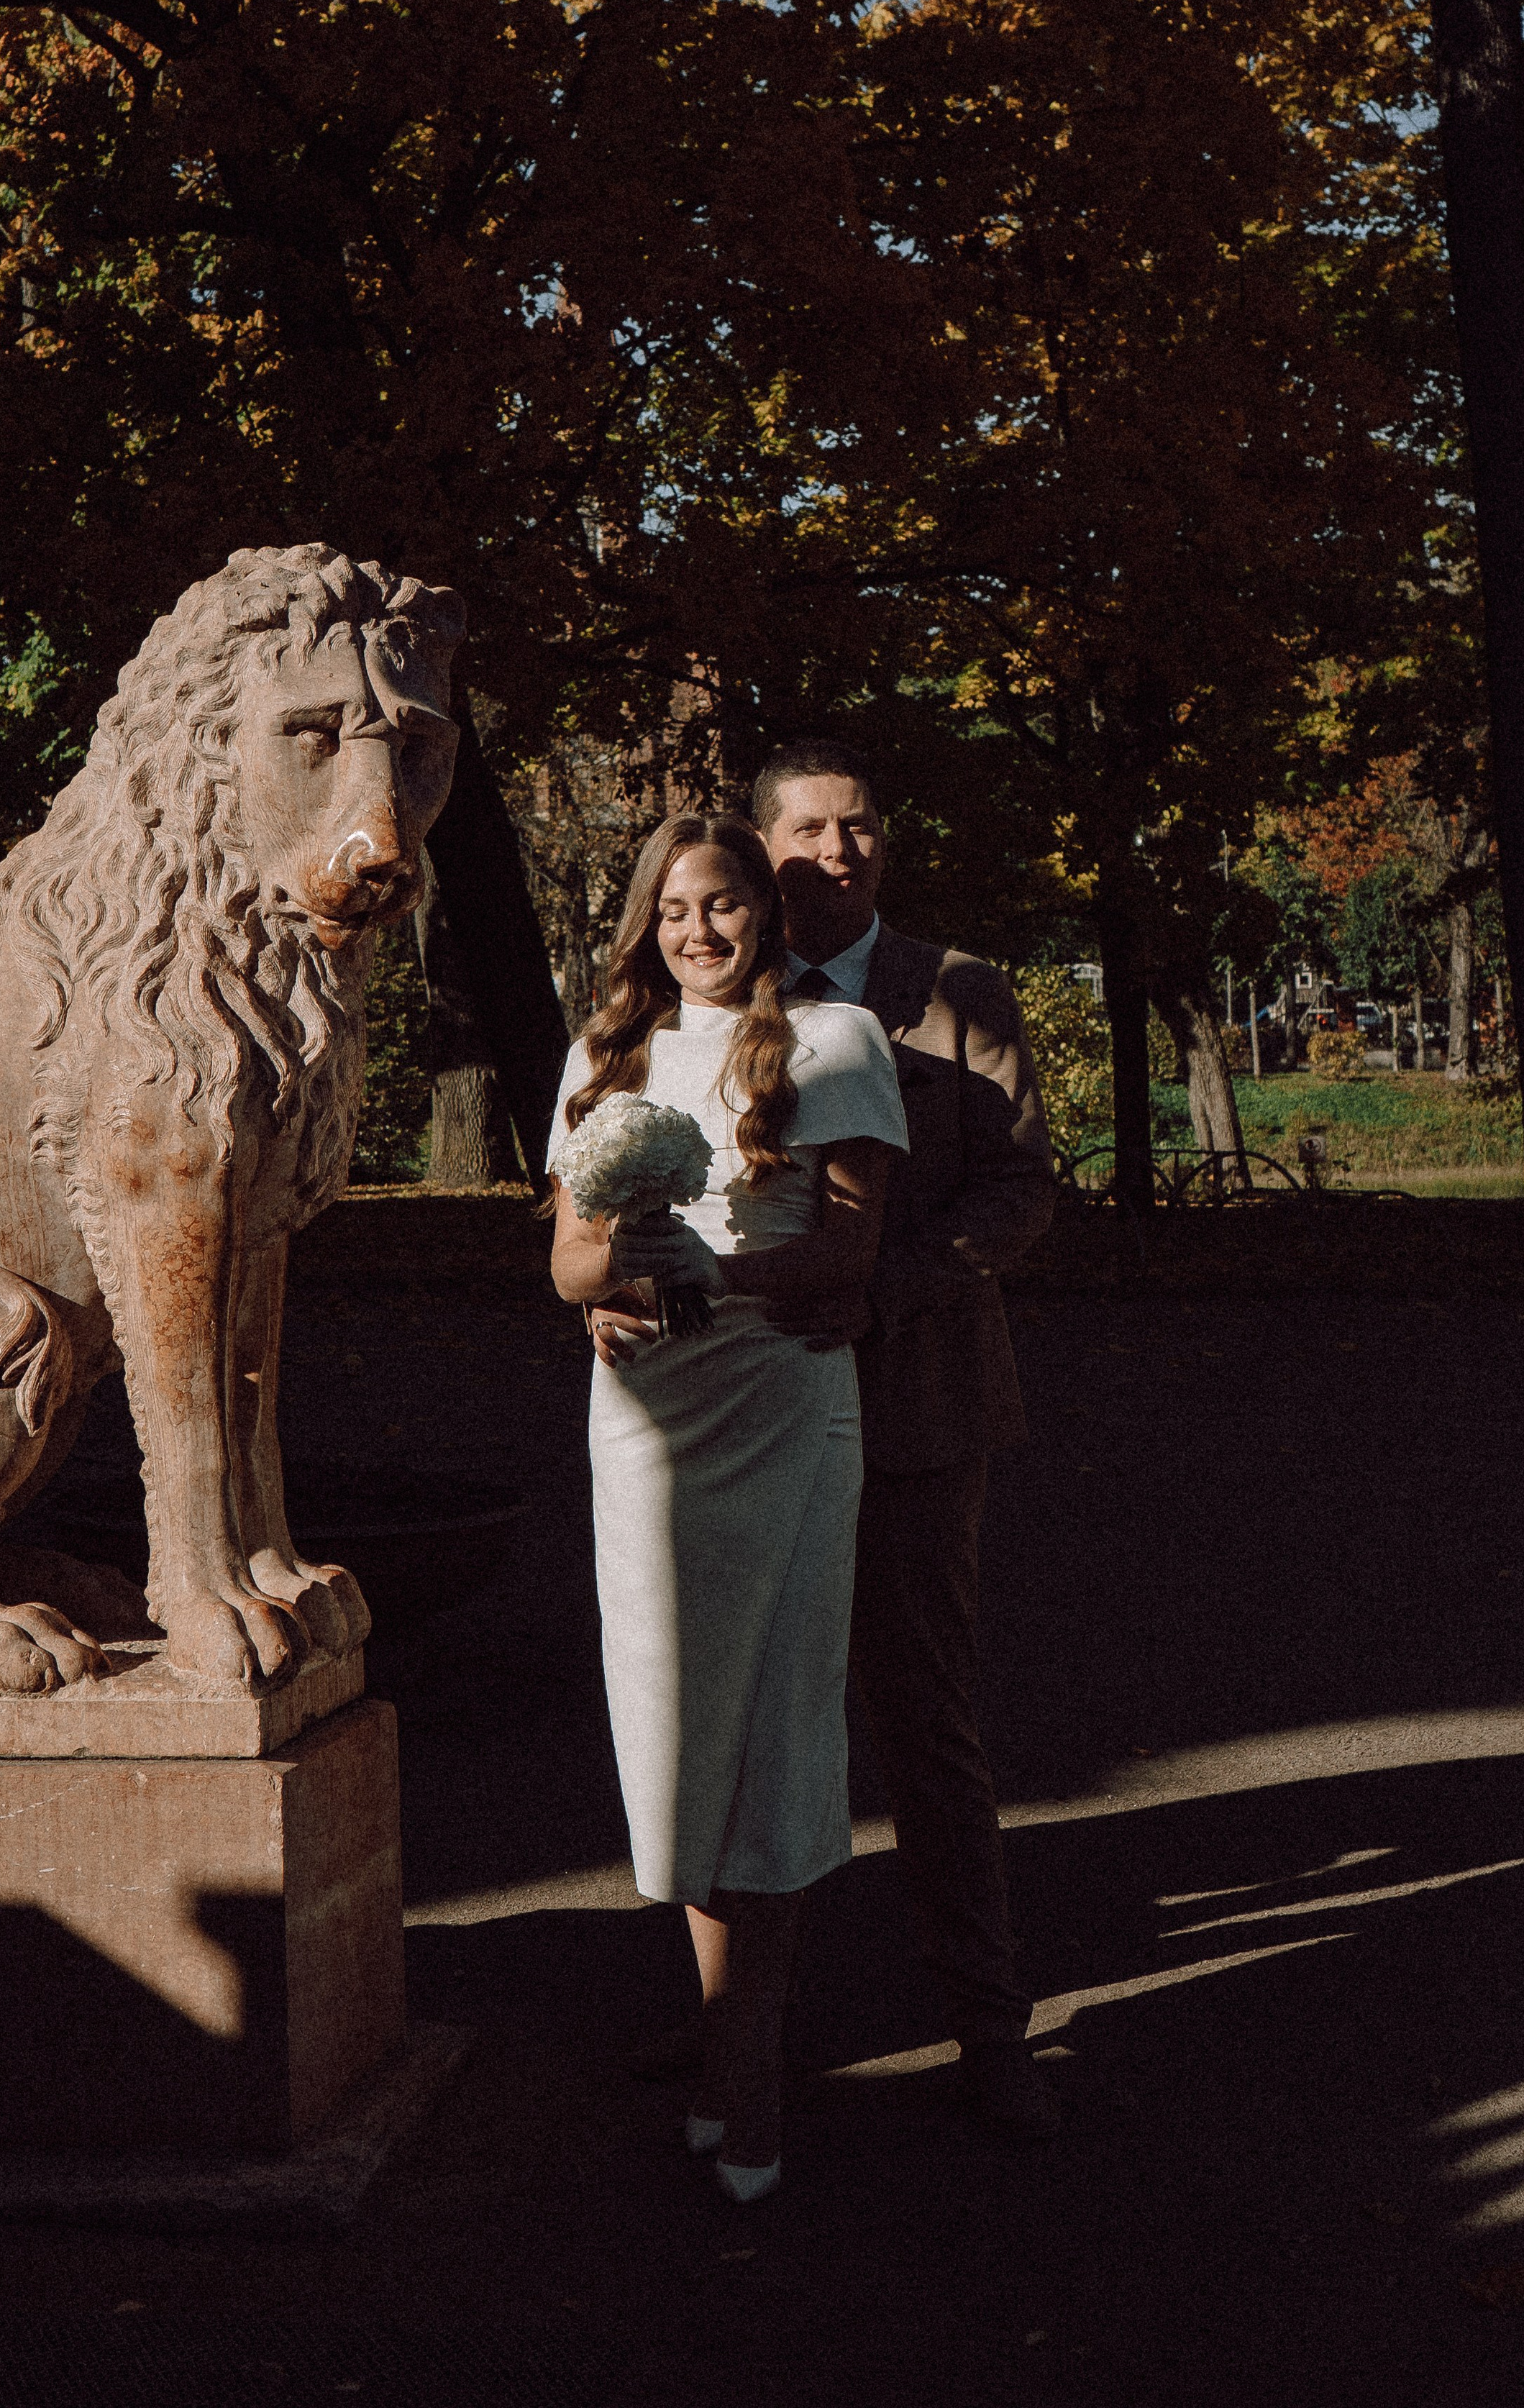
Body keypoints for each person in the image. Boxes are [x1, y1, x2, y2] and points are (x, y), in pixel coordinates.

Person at [598, 743, 1059, 2135]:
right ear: (761, 851)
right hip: (726, 1417)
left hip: (912, 1404)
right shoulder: (684, 1014)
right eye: (808, 833)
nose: (836, 854)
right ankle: (738, 2036)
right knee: (724, 1720)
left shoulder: (949, 994)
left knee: (924, 1720)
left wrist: (883, 1292)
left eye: (860, 829)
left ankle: (989, 2028)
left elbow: (1022, 1189)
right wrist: (614, 1299)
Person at [549, 812, 908, 2202]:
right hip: (644, 1431)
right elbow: (567, 1267)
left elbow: (849, 1255)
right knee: (674, 1730)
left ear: (767, 912)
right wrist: (612, 1299)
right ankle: (717, 2031)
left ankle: (749, 2053)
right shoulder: (603, 1058)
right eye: (675, 907)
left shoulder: (835, 1044)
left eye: (725, 905)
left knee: (773, 1713)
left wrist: (707, 1291)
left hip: (782, 1410)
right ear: (646, 918)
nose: (700, 930)